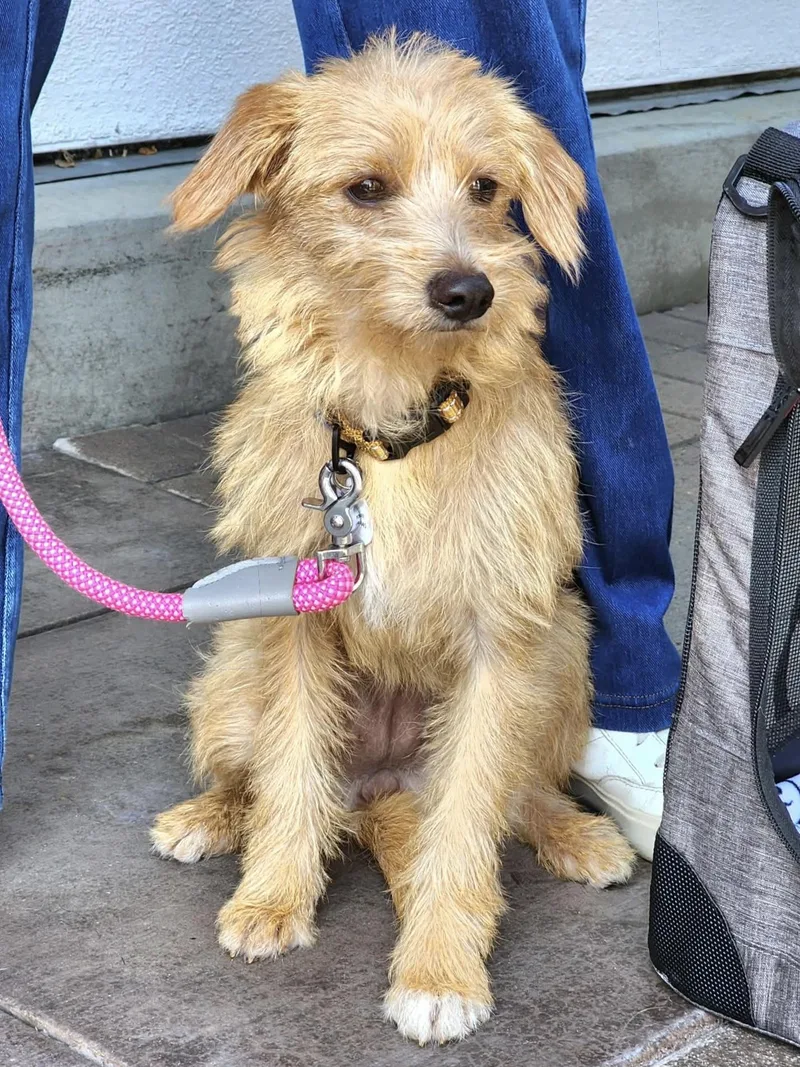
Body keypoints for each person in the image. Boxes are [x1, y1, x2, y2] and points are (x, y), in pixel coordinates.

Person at [2, 0, 679, 859]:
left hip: (472, 540)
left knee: (544, 641)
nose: (457, 262)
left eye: (482, 190)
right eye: (368, 188)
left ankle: (543, 793)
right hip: (331, 542)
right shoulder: (286, 421)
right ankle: (253, 806)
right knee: (271, 646)